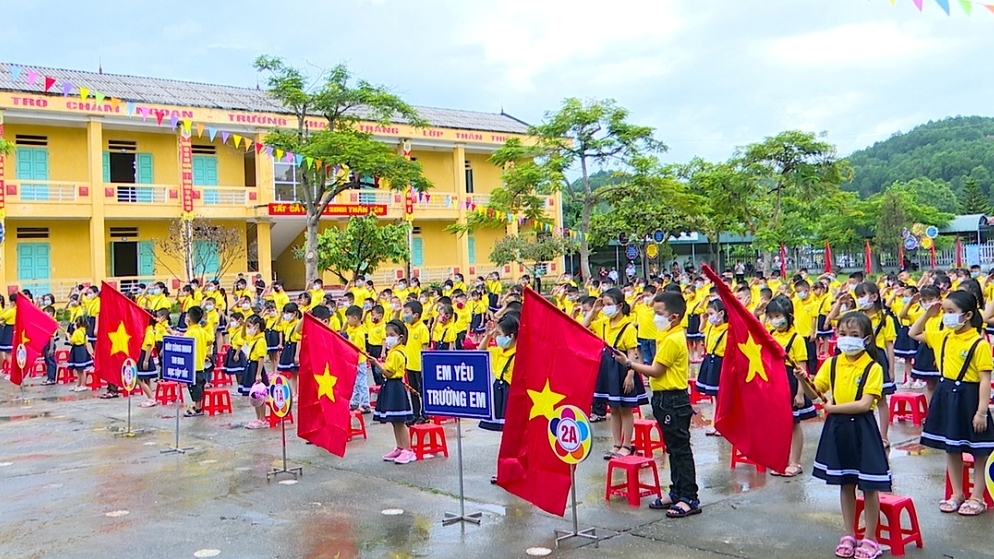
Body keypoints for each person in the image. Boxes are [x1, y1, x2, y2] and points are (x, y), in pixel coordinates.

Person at [799, 311, 891, 559]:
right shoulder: (831, 363)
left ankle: (870, 537)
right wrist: (804, 380)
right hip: (838, 430)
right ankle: (849, 534)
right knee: (845, 482)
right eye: (842, 334)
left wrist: (832, 408)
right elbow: (815, 391)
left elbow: (864, 404)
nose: (846, 340)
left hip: (862, 428)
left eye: (854, 335)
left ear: (867, 339)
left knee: (869, 486)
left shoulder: (873, 367)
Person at [614, 291, 700, 517]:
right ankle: (676, 491)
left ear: (674, 316)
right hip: (663, 398)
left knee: (680, 450)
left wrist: (629, 364)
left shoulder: (673, 339)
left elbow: (656, 370)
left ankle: (689, 497)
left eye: (659, 313)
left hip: (674, 399)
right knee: (672, 448)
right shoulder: (666, 336)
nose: (655, 318)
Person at [910, 290, 994, 516]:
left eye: (950, 312)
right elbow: (913, 331)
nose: (946, 316)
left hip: (970, 396)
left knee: (979, 449)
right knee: (952, 447)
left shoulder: (979, 342)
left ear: (967, 315)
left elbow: (985, 379)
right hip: (946, 394)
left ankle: (977, 496)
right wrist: (928, 314)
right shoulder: (943, 336)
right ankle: (957, 493)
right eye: (944, 311)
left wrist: (982, 412)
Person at [584, 288, 645, 458]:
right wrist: (594, 311)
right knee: (613, 409)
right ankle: (616, 443)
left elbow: (632, 352)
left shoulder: (628, 326)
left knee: (625, 409)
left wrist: (631, 374)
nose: (605, 308)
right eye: (604, 304)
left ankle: (627, 444)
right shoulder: (602, 322)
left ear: (619, 306)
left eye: (609, 304)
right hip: (606, 366)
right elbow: (583, 326)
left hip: (622, 366)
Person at [765, 295, 816, 477]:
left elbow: (803, 368)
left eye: (778, 316)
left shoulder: (796, 339)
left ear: (789, 315)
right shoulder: (770, 336)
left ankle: (795, 462)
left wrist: (801, 393)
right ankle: (782, 460)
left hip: (792, 382)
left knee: (794, 424)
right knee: (778, 425)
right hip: (775, 384)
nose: (774, 321)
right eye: (771, 317)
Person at [371, 320, 416, 464]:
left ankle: (408, 450)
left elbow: (389, 373)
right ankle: (400, 447)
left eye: (391, 335)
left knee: (400, 421)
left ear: (400, 337)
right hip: (390, 386)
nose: (388, 338)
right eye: (387, 335)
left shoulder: (398, 353)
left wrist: (376, 363)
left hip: (395, 386)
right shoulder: (393, 352)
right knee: (394, 421)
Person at [479, 313, 519, 476]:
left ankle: (514, 469)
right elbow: (480, 351)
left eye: (499, 335)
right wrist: (488, 335)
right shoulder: (498, 351)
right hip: (500, 391)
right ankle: (505, 469)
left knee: (514, 435)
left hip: (513, 393)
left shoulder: (519, 353)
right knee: (505, 434)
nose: (497, 339)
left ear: (511, 336)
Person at [697, 299, 727, 436]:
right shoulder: (711, 327)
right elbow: (700, 329)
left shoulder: (727, 329)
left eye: (711, 314)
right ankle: (715, 423)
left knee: (720, 396)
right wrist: (703, 318)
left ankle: (719, 424)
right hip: (711, 360)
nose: (709, 317)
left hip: (721, 362)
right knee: (714, 396)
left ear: (721, 313)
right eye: (708, 314)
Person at [182, 306, 213, 417]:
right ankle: (197, 405)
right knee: (198, 385)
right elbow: (210, 341)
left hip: (192, 364)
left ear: (189, 319)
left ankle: (198, 408)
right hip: (200, 362)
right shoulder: (201, 331)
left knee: (195, 387)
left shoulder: (190, 333)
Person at [402, 301, 430, 424]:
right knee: (413, 391)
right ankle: (415, 414)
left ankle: (425, 414)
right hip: (410, 365)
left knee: (422, 391)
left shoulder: (422, 328)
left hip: (420, 366)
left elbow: (425, 348)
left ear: (416, 315)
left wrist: (425, 364)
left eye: (407, 312)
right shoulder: (408, 327)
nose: (405, 315)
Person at [241, 315, 270, 429]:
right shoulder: (253, 338)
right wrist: (244, 325)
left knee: (260, 395)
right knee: (254, 396)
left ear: (257, 326)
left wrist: (258, 373)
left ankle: (262, 419)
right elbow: (243, 336)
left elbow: (261, 358)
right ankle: (258, 418)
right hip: (250, 366)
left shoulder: (261, 340)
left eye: (249, 326)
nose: (248, 329)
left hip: (256, 367)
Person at [343, 305, 371, 413]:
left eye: (348, 318)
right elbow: (343, 328)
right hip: (353, 361)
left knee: (361, 382)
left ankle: (365, 403)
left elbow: (357, 349)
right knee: (354, 382)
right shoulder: (353, 329)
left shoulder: (359, 333)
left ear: (355, 318)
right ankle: (354, 402)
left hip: (359, 361)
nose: (347, 321)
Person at [276, 303, 302, 395]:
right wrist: (280, 315)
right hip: (287, 347)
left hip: (294, 348)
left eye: (288, 313)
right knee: (292, 373)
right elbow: (277, 324)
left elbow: (299, 340)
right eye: (285, 313)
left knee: (297, 372)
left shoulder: (298, 323)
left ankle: (298, 393)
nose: (286, 315)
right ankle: (294, 392)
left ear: (294, 313)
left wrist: (297, 355)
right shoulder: (286, 323)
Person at [136, 313, 161, 407]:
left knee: (138, 379)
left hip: (145, 355)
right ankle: (151, 397)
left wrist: (146, 360)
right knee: (146, 379)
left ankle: (151, 398)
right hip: (143, 355)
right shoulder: (147, 329)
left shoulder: (149, 331)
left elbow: (149, 346)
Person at [68, 316, 95, 392]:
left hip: (78, 350)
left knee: (81, 369)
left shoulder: (77, 332)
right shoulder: (84, 331)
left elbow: (71, 341)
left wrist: (68, 335)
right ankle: (78, 384)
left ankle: (83, 385)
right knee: (79, 369)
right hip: (82, 349)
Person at [39, 305, 59, 386]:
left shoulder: (52, 323)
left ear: (50, 313)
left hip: (50, 344)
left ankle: (51, 379)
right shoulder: (47, 322)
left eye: (45, 312)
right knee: (47, 361)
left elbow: (52, 336)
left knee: (51, 361)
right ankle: (49, 378)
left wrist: (51, 348)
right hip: (46, 343)